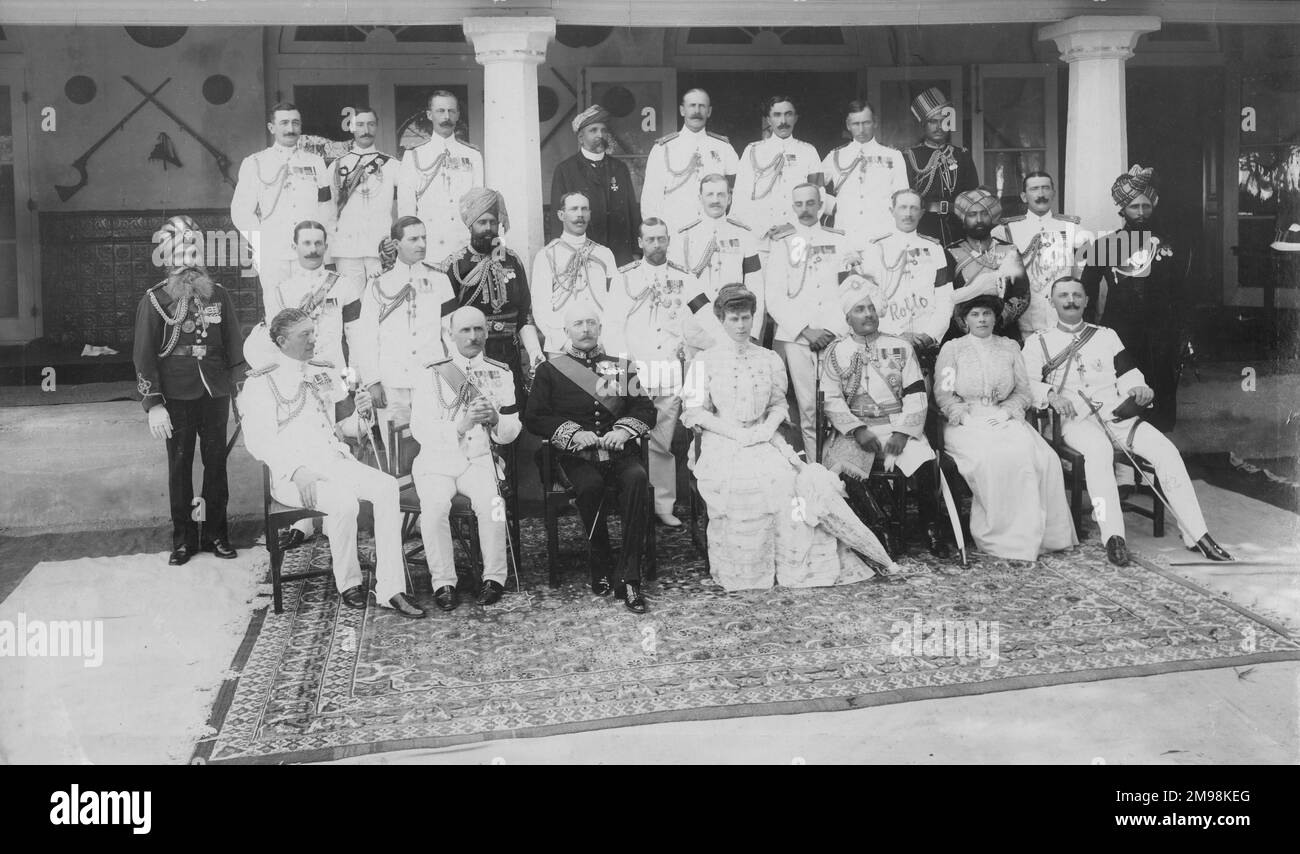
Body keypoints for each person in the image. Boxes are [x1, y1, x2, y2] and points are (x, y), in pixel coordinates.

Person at [681, 284, 897, 591]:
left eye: (746, 318)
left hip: (764, 436)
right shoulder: (705, 361)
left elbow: (778, 405)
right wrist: (736, 434)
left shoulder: (768, 358)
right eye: (734, 319)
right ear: (721, 320)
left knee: (787, 483)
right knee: (743, 485)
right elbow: (696, 412)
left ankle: (789, 564)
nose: (742, 326)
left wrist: (766, 430)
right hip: (722, 439)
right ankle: (748, 571)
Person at [1021, 278, 1234, 566]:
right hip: (1075, 422)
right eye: (1063, 296)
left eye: (1076, 295)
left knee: (1167, 452)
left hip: (1118, 415)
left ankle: (1197, 534)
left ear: (1086, 301)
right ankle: (1113, 536)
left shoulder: (1106, 336)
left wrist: (1138, 389)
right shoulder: (1038, 342)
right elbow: (1027, 383)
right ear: (1052, 301)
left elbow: (1129, 373)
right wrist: (1050, 394)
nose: (1070, 300)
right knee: (1100, 453)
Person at [239, 308, 426, 618]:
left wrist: (362, 415)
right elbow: (259, 441)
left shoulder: (322, 372)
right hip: (293, 475)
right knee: (343, 503)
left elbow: (340, 428)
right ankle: (349, 582)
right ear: (282, 340)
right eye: (305, 335)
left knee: (386, 487)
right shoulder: (262, 382)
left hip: (335, 461)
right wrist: (296, 471)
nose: (315, 339)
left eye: (314, 332)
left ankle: (391, 588)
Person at [524, 303, 657, 613]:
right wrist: (570, 433)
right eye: (578, 324)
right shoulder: (549, 370)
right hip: (575, 457)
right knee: (590, 486)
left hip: (619, 453)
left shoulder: (622, 367)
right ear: (566, 331)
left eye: (591, 323)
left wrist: (624, 431)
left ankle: (630, 576)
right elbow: (535, 417)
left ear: (600, 328)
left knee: (637, 478)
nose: (585, 329)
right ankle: (600, 563)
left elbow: (646, 410)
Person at [134, 215, 247, 565]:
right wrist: (153, 403)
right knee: (180, 467)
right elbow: (143, 355)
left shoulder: (220, 295)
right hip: (175, 395)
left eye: (194, 249)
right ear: (167, 257)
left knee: (216, 465)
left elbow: (235, 348)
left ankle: (216, 535)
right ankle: (183, 541)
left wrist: (242, 391)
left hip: (214, 391)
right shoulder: (154, 300)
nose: (189, 258)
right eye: (181, 250)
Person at [820, 277, 956, 558]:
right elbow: (830, 399)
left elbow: (917, 394)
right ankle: (880, 527)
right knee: (845, 469)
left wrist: (903, 432)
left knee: (926, 463)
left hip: (898, 427)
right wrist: (857, 430)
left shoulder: (901, 347)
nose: (868, 314)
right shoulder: (835, 352)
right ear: (847, 317)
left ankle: (931, 528)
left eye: (871, 307)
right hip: (856, 430)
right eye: (859, 309)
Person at [935, 294, 1077, 560]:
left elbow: (1023, 391)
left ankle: (1041, 534)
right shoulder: (952, 349)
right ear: (964, 320)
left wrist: (1004, 414)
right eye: (975, 314)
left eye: (987, 314)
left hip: (1004, 416)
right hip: (965, 421)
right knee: (992, 458)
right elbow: (944, 395)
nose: (982, 319)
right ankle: (1001, 536)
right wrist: (966, 418)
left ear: (995, 318)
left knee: (1041, 457)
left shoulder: (1010, 347)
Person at [410, 306, 520, 611]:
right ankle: (443, 581)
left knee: (494, 506)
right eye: (465, 330)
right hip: (436, 463)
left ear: (486, 331)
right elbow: (420, 428)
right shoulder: (431, 372)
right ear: (450, 334)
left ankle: (494, 578)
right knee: (433, 508)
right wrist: (461, 425)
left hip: (479, 460)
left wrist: (496, 420)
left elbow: (510, 432)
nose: (473, 337)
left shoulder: (501, 372)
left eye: (479, 329)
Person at [605, 218, 703, 528]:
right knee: (631, 439)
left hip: (670, 371)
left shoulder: (685, 278)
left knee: (662, 441)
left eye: (662, 239)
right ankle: (633, 506)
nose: (657, 245)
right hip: (637, 372)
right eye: (651, 240)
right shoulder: (625, 279)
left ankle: (662, 505)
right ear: (640, 242)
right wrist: (622, 373)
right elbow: (612, 327)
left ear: (669, 240)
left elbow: (704, 319)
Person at [1079, 165, 1183, 432]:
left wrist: (1182, 330)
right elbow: (1087, 291)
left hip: (1161, 326)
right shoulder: (1104, 245)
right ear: (1122, 209)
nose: (1140, 212)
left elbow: (1181, 290)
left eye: (1146, 206)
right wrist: (1088, 332)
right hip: (1120, 326)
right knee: (1125, 380)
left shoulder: (1169, 245)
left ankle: (1159, 435)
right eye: (1134, 206)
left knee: (1161, 377)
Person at [765, 183, 858, 456]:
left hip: (834, 335)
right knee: (808, 408)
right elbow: (774, 296)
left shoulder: (840, 239)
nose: (805, 210)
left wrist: (831, 328)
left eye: (810, 203)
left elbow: (849, 289)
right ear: (792, 207)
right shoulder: (782, 242)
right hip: (797, 337)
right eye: (799, 204)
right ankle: (816, 471)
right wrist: (806, 330)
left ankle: (840, 468)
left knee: (838, 404)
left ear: (820, 205)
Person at [439, 188, 543, 400]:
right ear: (470, 225)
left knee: (513, 417)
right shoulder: (455, 266)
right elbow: (446, 323)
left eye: (493, 222)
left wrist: (534, 352)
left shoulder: (512, 260)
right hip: (473, 354)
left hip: (510, 354)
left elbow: (525, 314)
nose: (488, 228)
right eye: (482, 222)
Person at [355, 216, 456, 432]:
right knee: (396, 453)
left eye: (424, 238)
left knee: (435, 446)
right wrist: (372, 381)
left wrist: (453, 379)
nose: (422, 244)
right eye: (414, 239)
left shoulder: (440, 280)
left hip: (430, 380)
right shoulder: (378, 283)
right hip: (392, 383)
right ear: (396, 244)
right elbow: (366, 337)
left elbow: (451, 333)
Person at [231, 102, 333, 299]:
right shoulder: (255, 162)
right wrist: (261, 242)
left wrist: (320, 245)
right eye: (284, 123)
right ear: (272, 128)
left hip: (309, 252)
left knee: (311, 311)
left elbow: (326, 208)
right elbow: (241, 211)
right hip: (273, 254)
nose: (290, 129)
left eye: (295, 123)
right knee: (277, 311)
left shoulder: (316, 163)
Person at [670, 174, 764, 357]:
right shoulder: (683, 237)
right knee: (696, 384)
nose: (715, 200)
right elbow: (678, 287)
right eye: (710, 194)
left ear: (729, 198)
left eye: (721, 195)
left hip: (734, 330)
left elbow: (756, 286)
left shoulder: (744, 234)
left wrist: (751, 332)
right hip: (695, 333)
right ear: (700, 198)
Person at [861, 188, 955, 363]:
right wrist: (896, 335)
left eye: (914, 208)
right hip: (887, 339)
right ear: (892, 211)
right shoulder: (875, 249)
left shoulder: (934, 250)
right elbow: (869, 301)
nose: (908, 214)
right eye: (903, 207)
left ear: (922, 213)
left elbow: (946, 299)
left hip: (925, 343)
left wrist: (930, 335)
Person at [397, 90, 484, 263]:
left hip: (464, 245)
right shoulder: (414, 155)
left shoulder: (472, 155)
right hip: (429, 247)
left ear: (458, 115)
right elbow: (406, 209)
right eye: (440, 111)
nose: (447, 116)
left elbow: (479, 205)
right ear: (430, 114)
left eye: (451, 111)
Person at [327, 106, 398, 313]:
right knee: (352, 308)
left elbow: (408, 205)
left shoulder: (392, 165)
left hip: (379, 249)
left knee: (382, 304)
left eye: (370, 124)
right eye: (360, 124)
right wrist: (331, 251)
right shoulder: (336, 166)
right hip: (346, 250)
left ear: (376, 127)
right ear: (351, 127)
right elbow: (329, 213)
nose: (365, 130)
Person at [549, 105, 640, 265]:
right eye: (594, 130)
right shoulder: (565, 170)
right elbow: (559, 218)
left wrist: (635, 252)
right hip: (581, 256)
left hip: (619, 255)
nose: (600, 135)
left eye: (603, 130)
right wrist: (562, 255)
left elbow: (632, 210)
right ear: (580, 138)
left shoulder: (619, 168)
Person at [997, 171, 1083, 338]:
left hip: (1062, 318)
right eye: (1034, 189)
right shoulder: (1005, 231)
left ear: (1053, 193)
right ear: (1023, 196)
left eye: (1046, 188)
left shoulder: (1073, 228)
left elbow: (1082, 276)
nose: (1041, 194)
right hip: (1024, 320)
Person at [531, 191, 617, 354]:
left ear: (590, 214)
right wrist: (564, 343)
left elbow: (615, 303)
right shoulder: (547, 255)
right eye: (574, 209)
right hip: (562, 349)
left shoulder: (604, 254)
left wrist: (606, 340)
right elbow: (540, 307)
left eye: (585, 209)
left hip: (601, 346)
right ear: (561, 214)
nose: (580, 214)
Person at [641, 88, 739, 232]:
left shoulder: (724, 147)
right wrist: (656, 234)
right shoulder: (663, 149)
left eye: (702, 106)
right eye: (692, 106)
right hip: (675, 231)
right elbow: (650, 198)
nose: (697, 111)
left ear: (709, 111)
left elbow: (737, 193)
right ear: (682, 110)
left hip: (714, 230)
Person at [731, 96, 824, 242]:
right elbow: (740, 199)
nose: (783, 122)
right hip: (760, 238)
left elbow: (820, 195)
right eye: (777, 115)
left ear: (796, 118)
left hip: (797, 235)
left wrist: (792, 226)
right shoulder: (752, 151)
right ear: (768, 119)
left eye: (788, 114)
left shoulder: (808, 152)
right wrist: (762, 228)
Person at [947, 188, 1030, 341]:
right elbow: (945, 298)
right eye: (972, 214)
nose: (979, 219)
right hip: (962, 335)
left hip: (1004, 333)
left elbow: (1022, 294)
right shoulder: (951, 252)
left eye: (984, 213)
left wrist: (996, 321)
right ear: (963, 219)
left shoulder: (1009, 250)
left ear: (991, 217)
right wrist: (967, 324)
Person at [821, 99, 907, 242]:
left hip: (882, 234)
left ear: (875, 122)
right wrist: (832, 206)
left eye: (866, 123)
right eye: (856, 124)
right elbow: (811, 187)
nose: (861, 129)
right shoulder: (835, 156)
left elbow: (903, 198)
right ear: (848, 125)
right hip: (846, 233)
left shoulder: (893, 156)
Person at [902, 87, 979, 245]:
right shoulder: (910, 156)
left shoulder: (961, 155)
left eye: (943, 121)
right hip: (923, 226)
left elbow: (972, 195)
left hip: (957, 226)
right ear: (923, 125)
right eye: (932, 122)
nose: (938, 127)